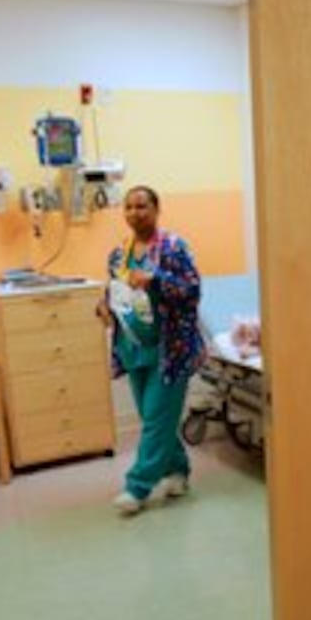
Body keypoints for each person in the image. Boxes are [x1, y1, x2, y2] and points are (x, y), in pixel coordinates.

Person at [97, 185, 205, 515]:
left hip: (169, 349)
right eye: (128, 207)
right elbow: (114, 291)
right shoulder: (120, 253)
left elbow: (192, 289)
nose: (134, 213)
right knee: (152, 415)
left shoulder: (173, 247)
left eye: (141, 206)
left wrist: (155, 278)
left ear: (156, 209)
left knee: (156, 418)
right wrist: (103, 307)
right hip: (134, 346)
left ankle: (137, 487)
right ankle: (177, 470)